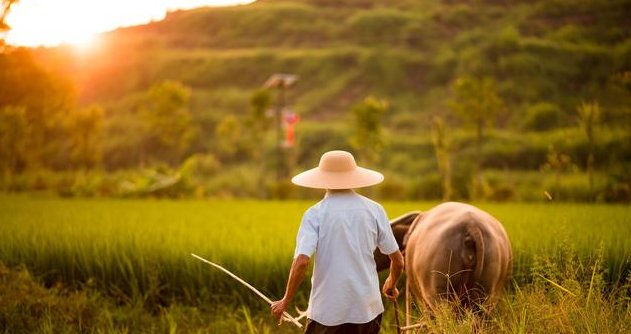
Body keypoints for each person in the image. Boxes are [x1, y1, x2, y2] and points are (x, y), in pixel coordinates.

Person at [271, 150, 405, 334]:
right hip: (368, 310)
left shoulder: (315, 214)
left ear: (322, 178)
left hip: (327, 312)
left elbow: (302, 261)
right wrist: (391, 282)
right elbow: (398, 261)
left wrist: (285, 300)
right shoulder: (375, 210)